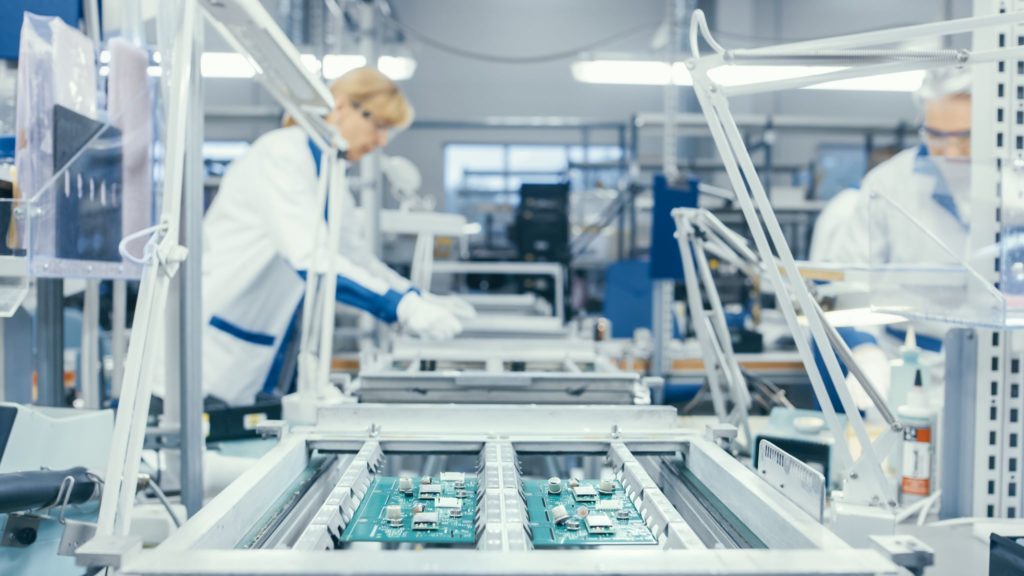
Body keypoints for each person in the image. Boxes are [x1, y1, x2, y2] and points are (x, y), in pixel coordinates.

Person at [202, 67, 473, 407]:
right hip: (211, 345)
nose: (382, 142)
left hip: (257, 349)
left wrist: (416, 297)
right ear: (342, 106)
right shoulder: (280, 155)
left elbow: (354, 258)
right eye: (379, 125)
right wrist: (400, 307)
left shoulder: (332, 175)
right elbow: (310, 258)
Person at [808, 69, 971, 414]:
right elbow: (848, 286)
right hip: (902, 373)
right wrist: (866, 353)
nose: (951, 150)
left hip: (997, 373)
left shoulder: (1011, 186)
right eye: (937, 135)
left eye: (966, 136)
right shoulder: (887, 186)